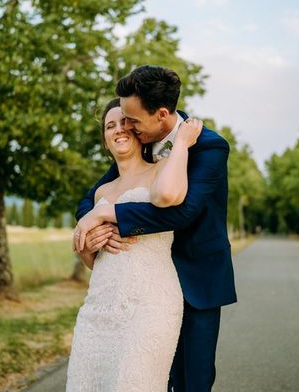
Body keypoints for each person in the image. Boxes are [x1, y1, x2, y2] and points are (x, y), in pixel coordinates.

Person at [73, 65, 237, 392]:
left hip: (195, 281)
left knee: (192, 381)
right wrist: (88, 220)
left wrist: (109, 216)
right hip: (140, 284)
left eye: (132, 119)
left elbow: (184, 213)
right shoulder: (143, 137)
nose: (127, 127)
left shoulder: (209, 147)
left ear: (161, 114)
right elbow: (96, 194)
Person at [66, 98, 203, 391]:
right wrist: (89, 249)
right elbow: (94, 260)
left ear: (139, 130)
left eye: (125, 122)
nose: (118, 130)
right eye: (110, 125)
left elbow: (171, 200)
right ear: (104, 139)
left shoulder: (162, 170)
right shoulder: (100, 192)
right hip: (98, 308)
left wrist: (180, 143)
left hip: (149, 304)